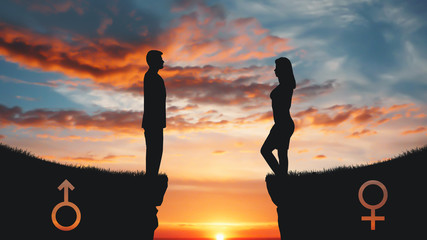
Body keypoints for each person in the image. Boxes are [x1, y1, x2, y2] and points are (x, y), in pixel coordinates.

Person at [261, 57, 296, 176]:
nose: (274, 70)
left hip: (283, 124)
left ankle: (281, 177)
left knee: (267, 151)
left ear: (283, 70)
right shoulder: (285, 86)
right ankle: (282, 177)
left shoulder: (287, 86)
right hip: (281, 124)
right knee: (281, 153)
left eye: (277, 68)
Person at [142, 50, 166, 176]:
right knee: (154, 151)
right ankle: (151, 176)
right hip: (153, 122)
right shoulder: (151, 77)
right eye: (160, 59)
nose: (163, 61)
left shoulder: (154, 77)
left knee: (156, 151)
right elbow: (154, 101)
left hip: (156, 122)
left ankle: (152, 175)